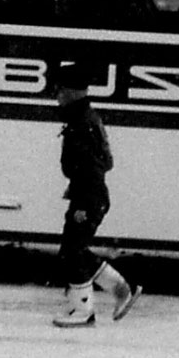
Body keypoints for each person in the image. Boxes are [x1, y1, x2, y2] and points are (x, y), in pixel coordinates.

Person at [51, 62, 140, 328]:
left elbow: (91, 167)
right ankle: (118, 290)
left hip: (87, 197)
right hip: (91, 195)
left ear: (70, 92)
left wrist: (81, 201)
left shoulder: (81, 123)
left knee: (72, 252)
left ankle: (84, 310)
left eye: (60, 90)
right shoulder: (87, 118)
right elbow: (106, 162)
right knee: (73, 249)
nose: (57, 96)